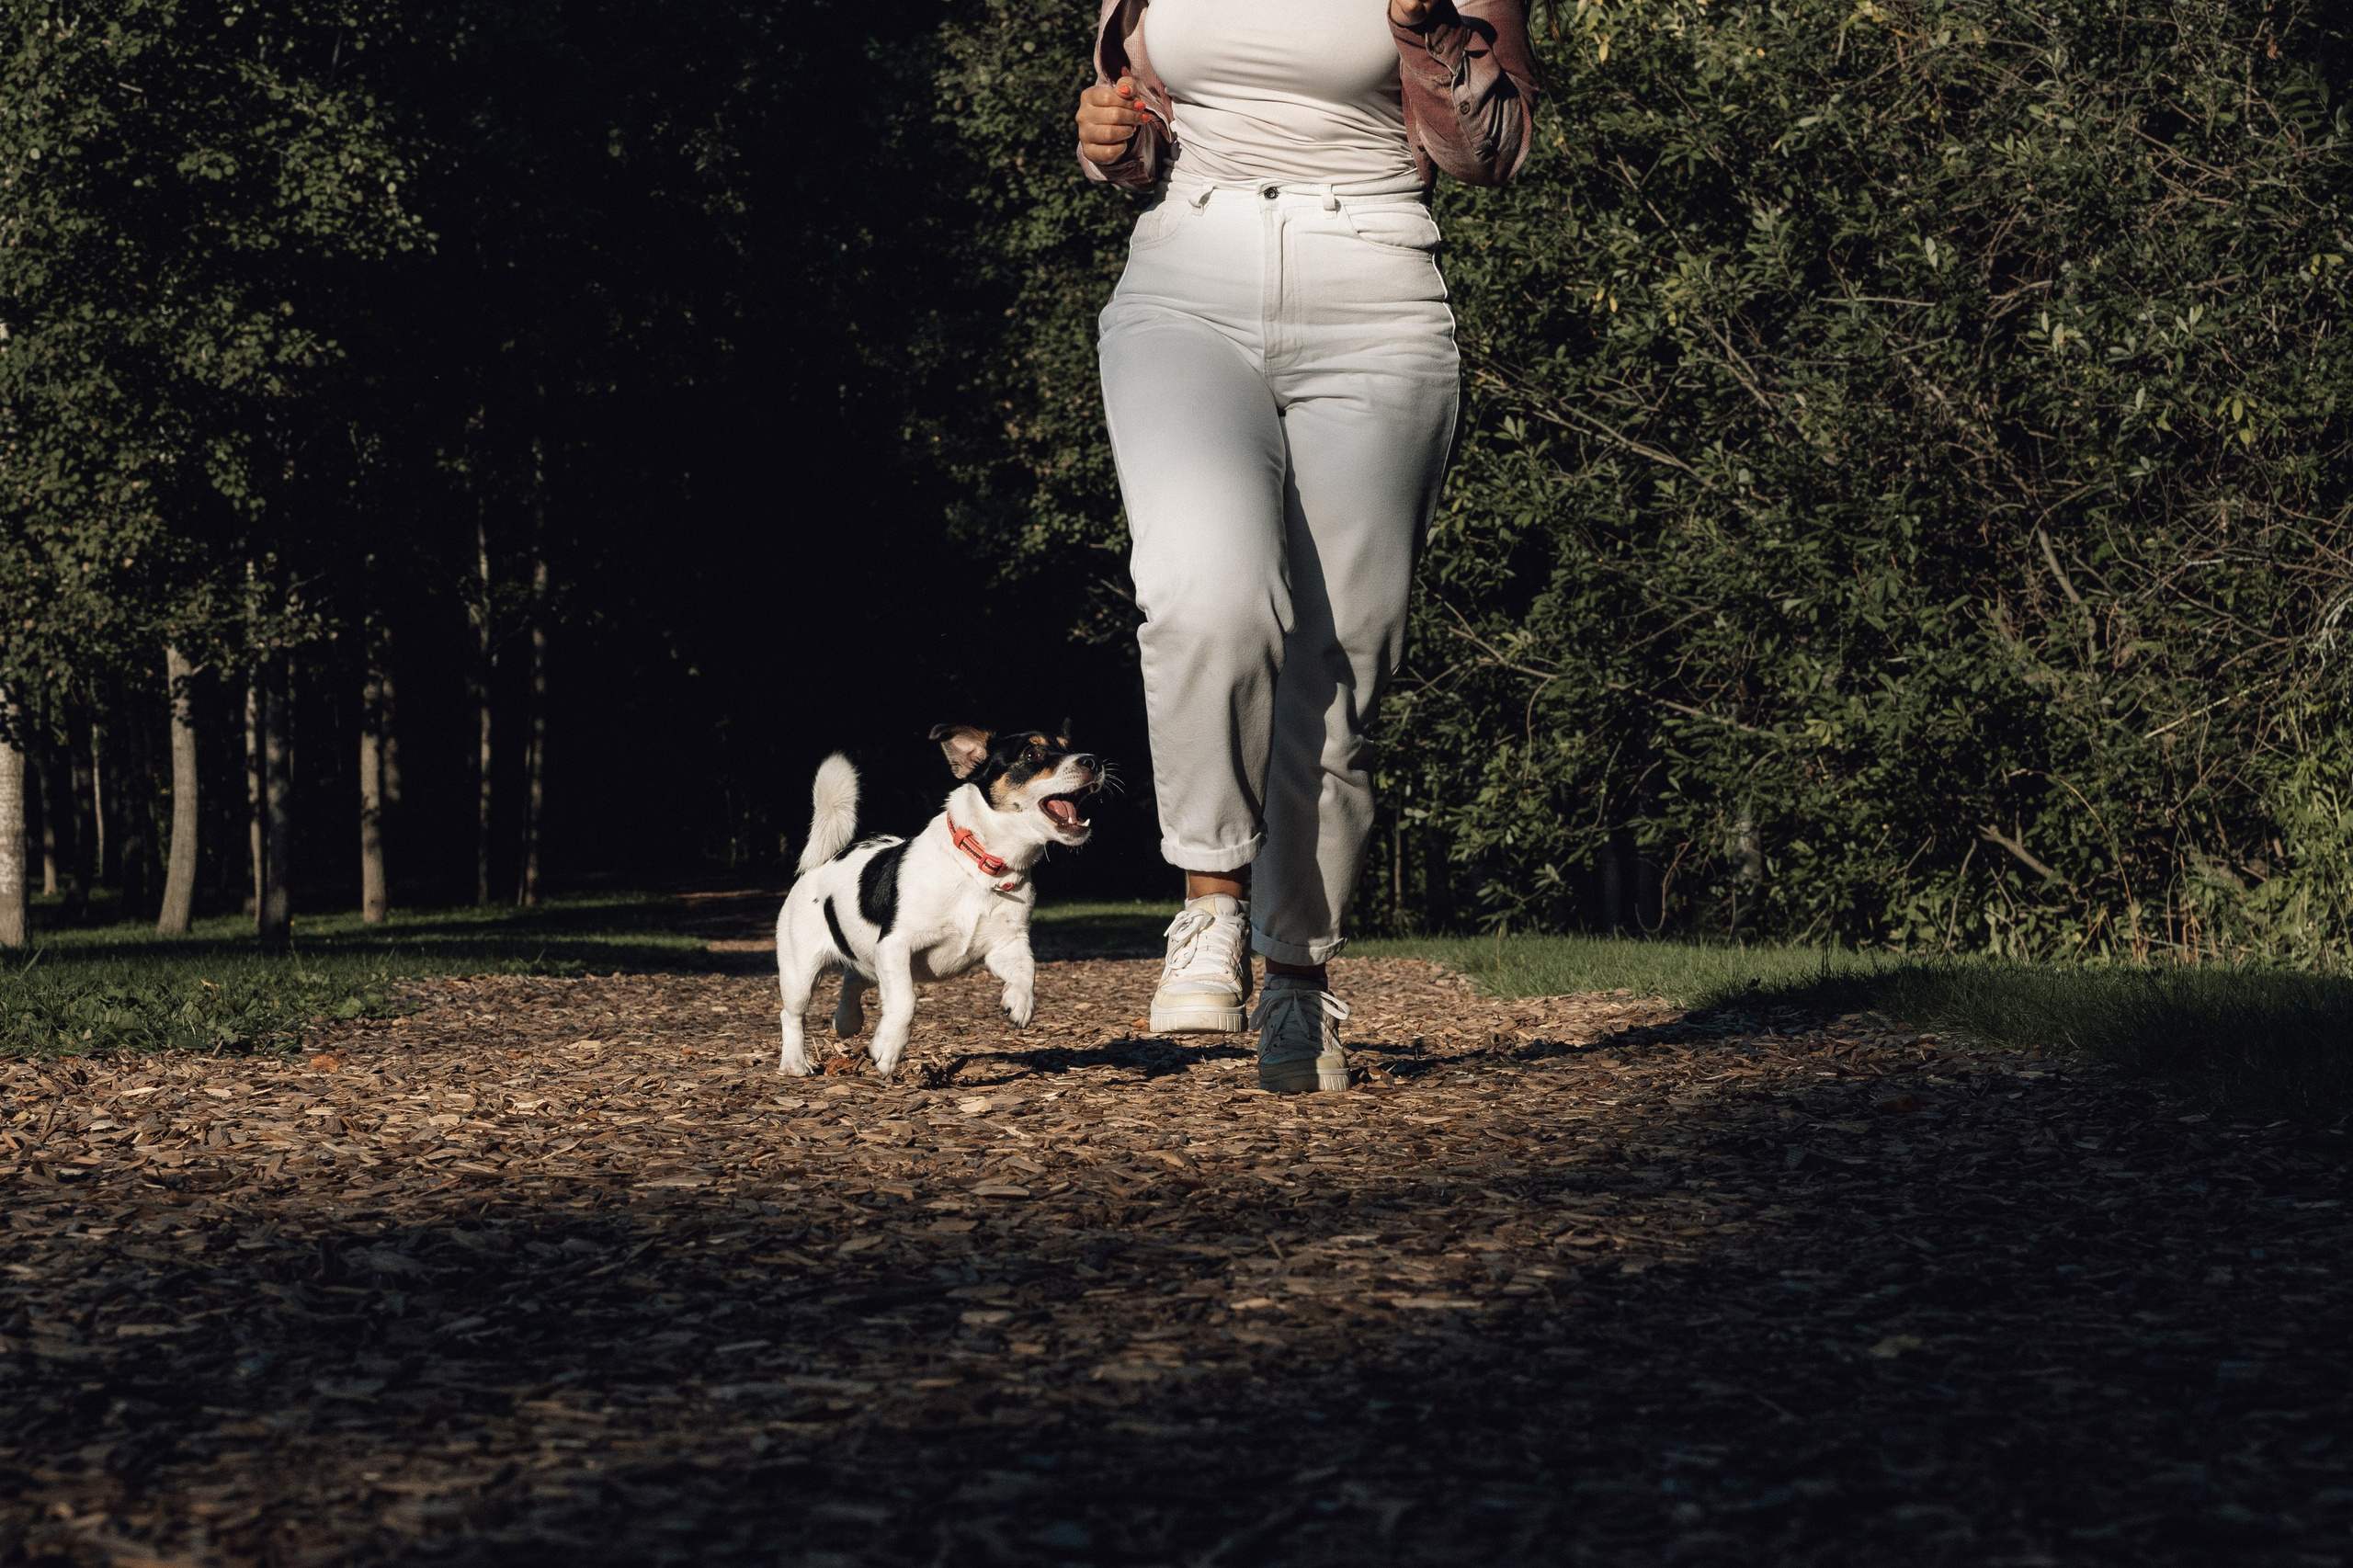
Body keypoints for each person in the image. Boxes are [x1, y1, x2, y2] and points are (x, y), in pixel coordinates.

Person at [1074, 0, 1538, 1091]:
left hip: (1374, 284)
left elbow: (1492, 153)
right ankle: (1210, 906)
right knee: (1203, 593)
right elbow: (1133, 132)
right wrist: (1107, 140)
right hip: (1187, 278)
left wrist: (1426, 25)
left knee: (1342, 661)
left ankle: (1296, 976)